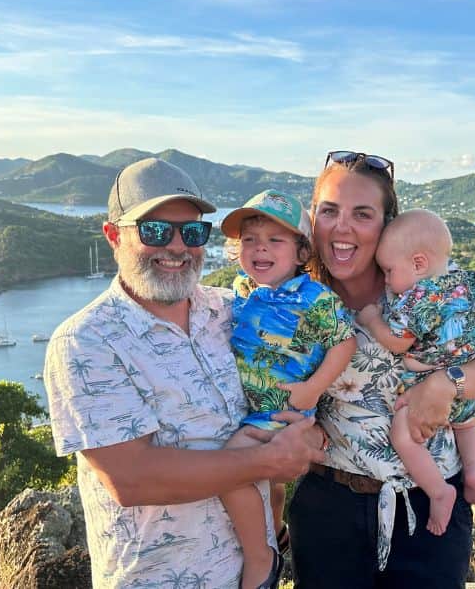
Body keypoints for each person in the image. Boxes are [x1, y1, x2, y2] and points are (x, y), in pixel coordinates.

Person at [43, 158, 325, 589]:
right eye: (155, 231)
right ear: (113, 236)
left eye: (192, 232)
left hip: (253, 574)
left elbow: (304, 358)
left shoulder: (229, 311)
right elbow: (132, 478)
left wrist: (308, 429)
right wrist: (269, 460)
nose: (177, 247)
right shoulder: (86, 341)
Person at [287, 151, 475, 589]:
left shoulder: (430, 288)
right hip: (328, 508)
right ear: (313, 219)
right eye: (329, 211)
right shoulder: (296, 296)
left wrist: (449, 383)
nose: (342, 227)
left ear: (386, 225)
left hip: (429, 511)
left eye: (362, 213)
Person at [217, 189, 357, 589]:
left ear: (300, 253)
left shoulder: (314, 297)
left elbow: (345, 342)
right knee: (272, 485)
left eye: (274, 240)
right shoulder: (242, 289)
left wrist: (314, 389)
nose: (260, 249)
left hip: (279, 412)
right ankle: (276, 531)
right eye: (249, 240)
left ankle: (260, 558)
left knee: (231, 470)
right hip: (254, 406)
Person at [356, 208, 475, 536]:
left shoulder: (418, 298)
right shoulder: (471, 283)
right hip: (466, 384)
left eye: (389, 270)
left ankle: (440, 490)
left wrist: (371, 320)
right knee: (467, 428)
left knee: (403, 437)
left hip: (424, 385)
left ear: (418, 264)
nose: (387, 279)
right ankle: (473, 475)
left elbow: (397, 342)